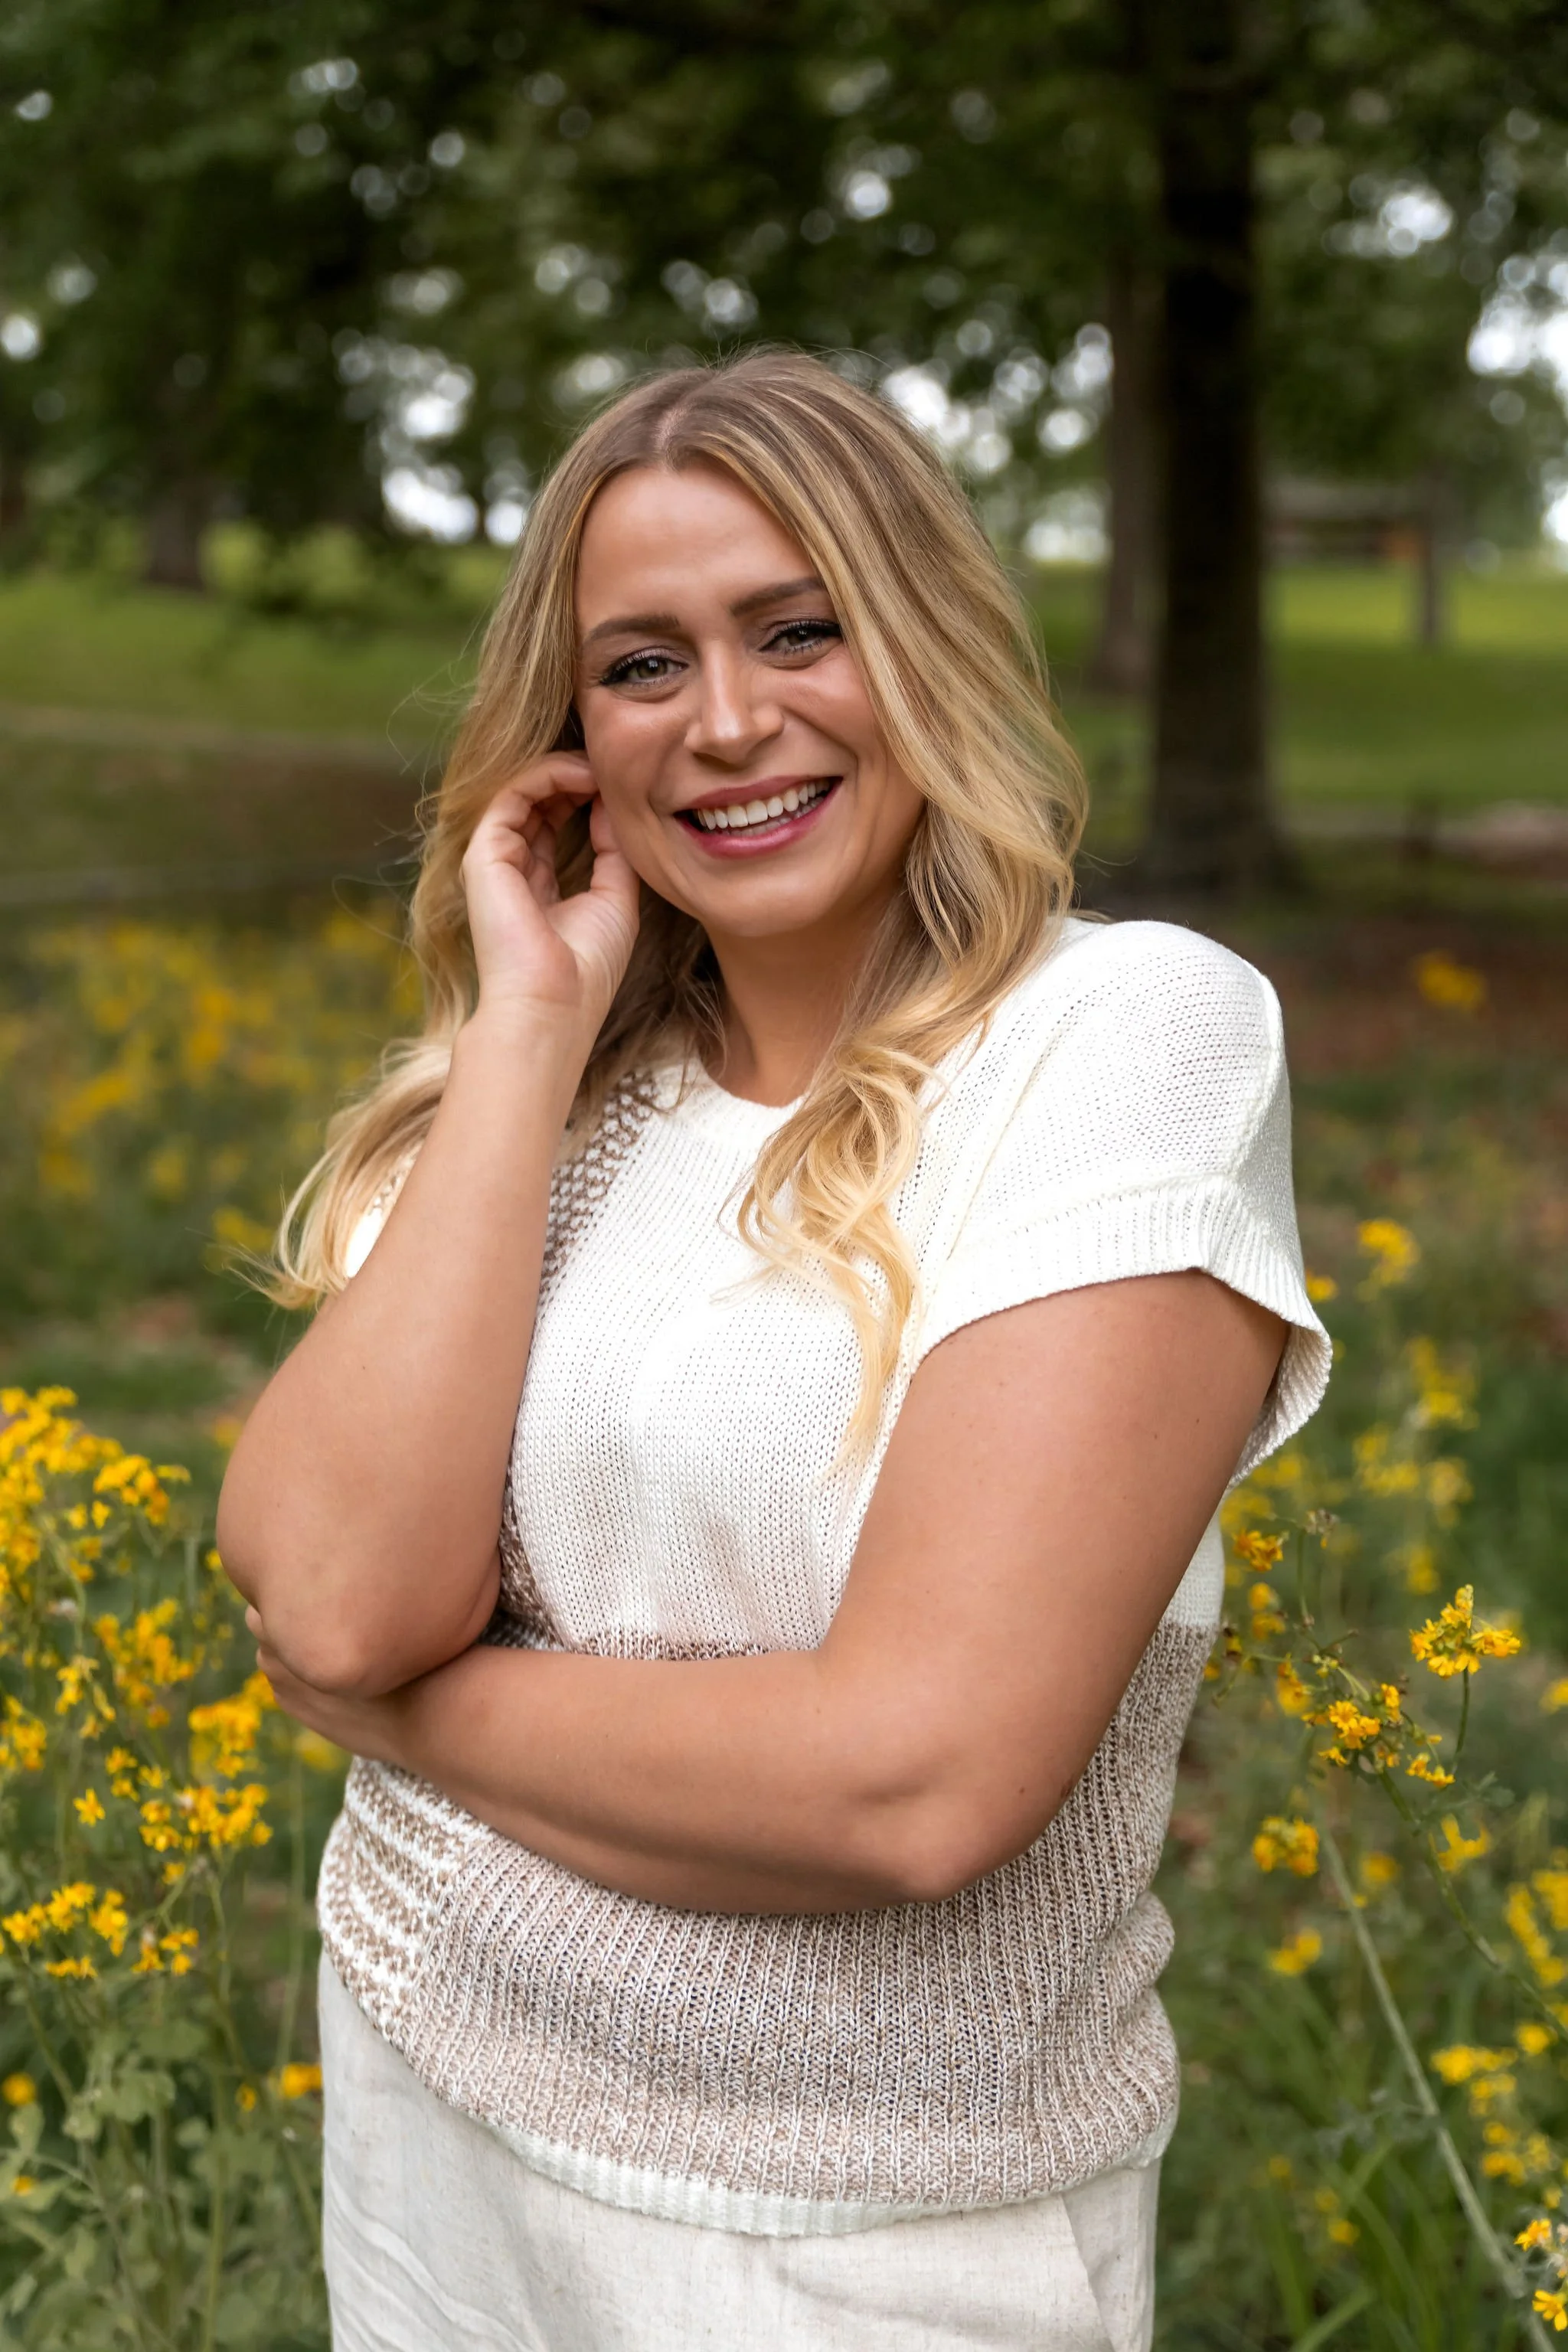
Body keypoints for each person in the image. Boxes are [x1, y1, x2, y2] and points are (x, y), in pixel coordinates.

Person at [217, 350, 1330, 2352]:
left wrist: (398, 1715)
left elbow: (911, 1782)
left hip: (860, 2237)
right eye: (642, 665)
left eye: (797, 630)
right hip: (424, 2101)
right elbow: (330, 1585)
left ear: (919, 646)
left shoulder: (1122, 1041)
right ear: (572, 732)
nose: (728, 721)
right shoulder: (545, 1096)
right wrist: (526, 1033)